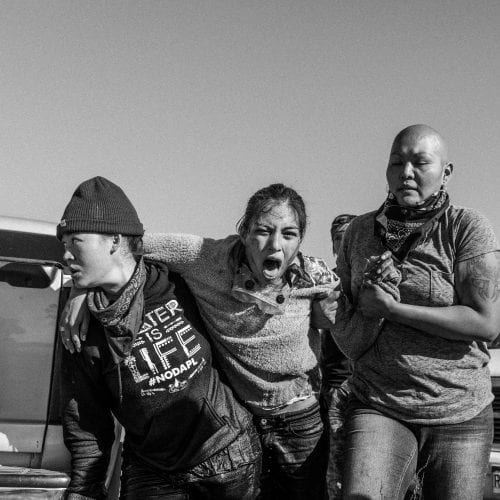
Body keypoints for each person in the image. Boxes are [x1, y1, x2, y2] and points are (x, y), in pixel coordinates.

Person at [61, 183, 340, 500]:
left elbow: (345, 317)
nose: (275, 244)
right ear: (244, 232)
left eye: (289, 234)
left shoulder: (313, 277)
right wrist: (80, 288)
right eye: (263, 231)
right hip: (198, 443)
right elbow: (131, 243)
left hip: (274, 430)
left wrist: (331, 313)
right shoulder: (205, 261)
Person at [333, 125, 500, 500]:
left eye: (420, 162)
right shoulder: (360, 232)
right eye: (396, 162)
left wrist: (393, 308)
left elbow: (486, 323)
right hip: (379, 404)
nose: (406, 173)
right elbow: (350, 336)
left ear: (446, 171)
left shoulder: (466, 228)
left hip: (460, 413)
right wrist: (358, 309)